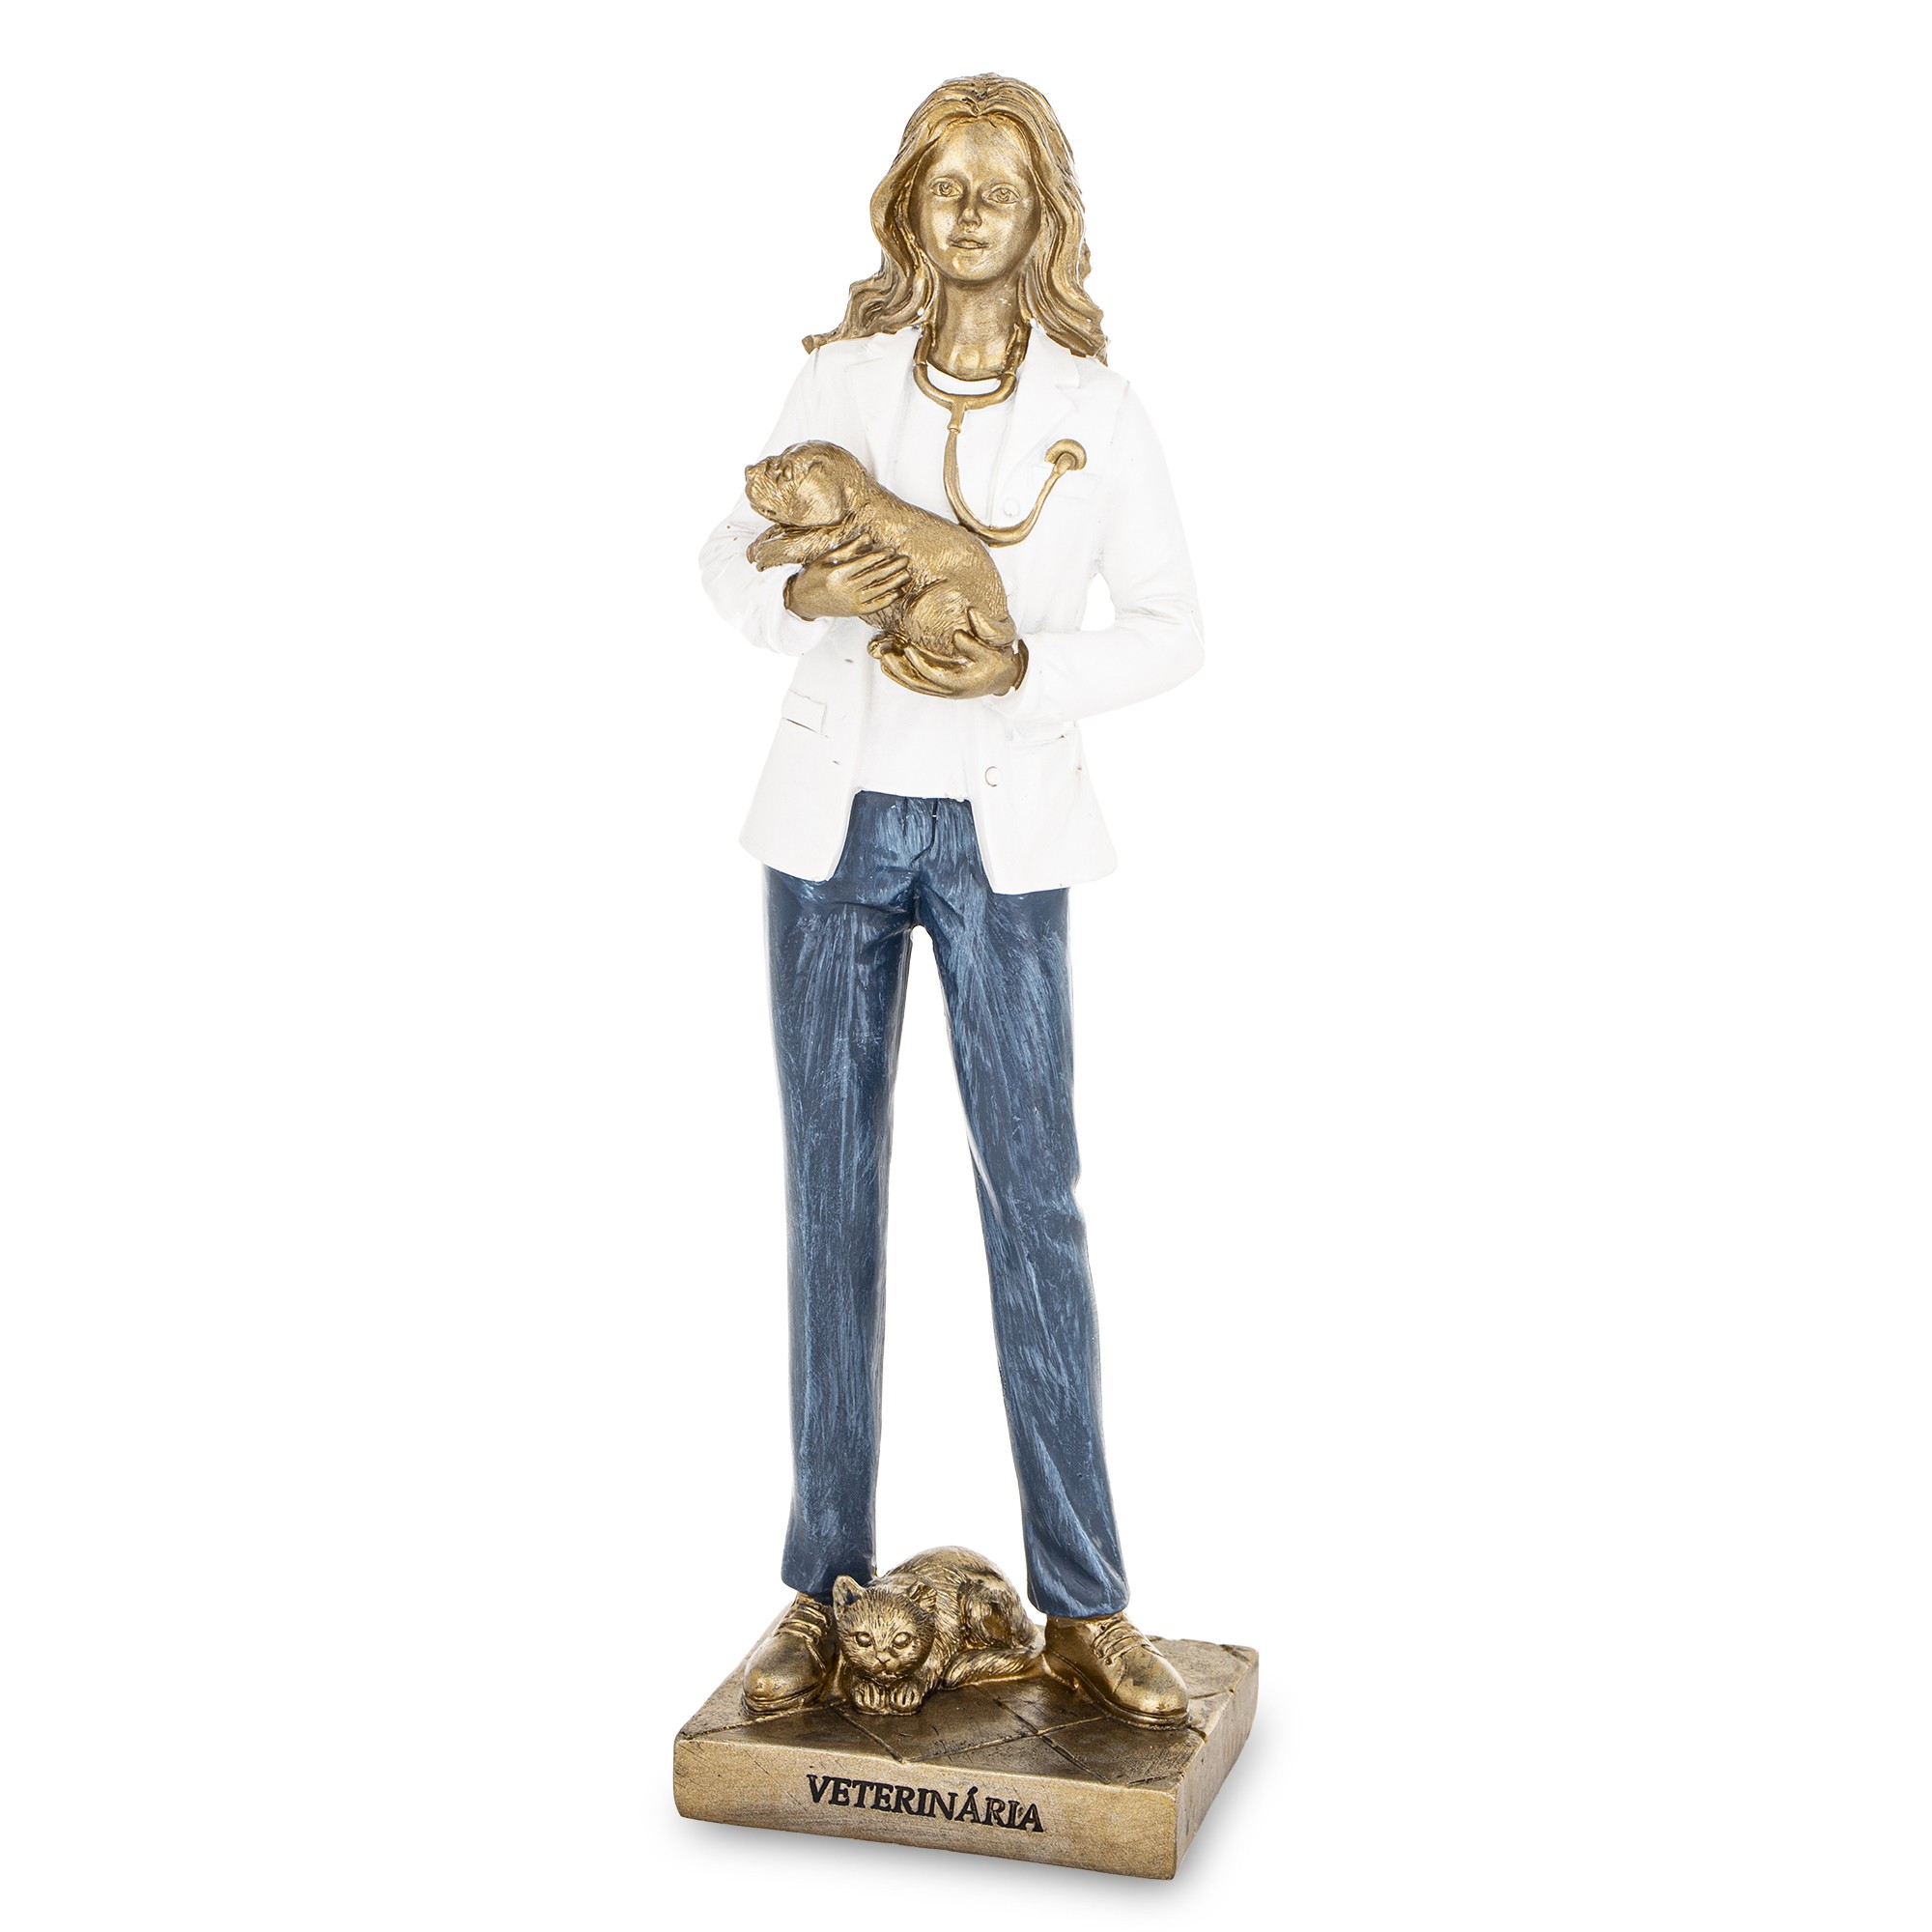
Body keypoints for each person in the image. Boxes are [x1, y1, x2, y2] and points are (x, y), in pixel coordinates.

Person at [698, 74, 1203, 1728]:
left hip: (1003, 838)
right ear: (904, 202)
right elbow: (722, 561)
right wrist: (804, 597)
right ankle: (821, 1584)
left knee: (1034, 1202)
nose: (969, 210)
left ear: (1044, 212)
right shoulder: (839, 379)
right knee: (830, 1197)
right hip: (833, 832)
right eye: (943, 182)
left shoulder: (1094, 409)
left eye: (999, 186)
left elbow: (1174, 628)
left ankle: (1087, 1601)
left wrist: (1024, 669)